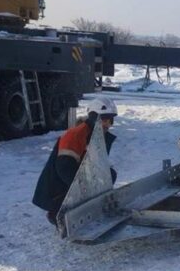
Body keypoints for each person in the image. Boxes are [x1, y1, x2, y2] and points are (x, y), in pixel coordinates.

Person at [33, 96, 118, 226]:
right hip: (56, 188)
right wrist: (85, 189)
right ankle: (57, 213)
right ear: (94, 118)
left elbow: (99, 165)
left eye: (111, 121)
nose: (108, 124)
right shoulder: (75, 135)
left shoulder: (97, 136)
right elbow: (64, 168)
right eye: (105, 120)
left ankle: (90, 206)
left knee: (110, 174)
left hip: (79, 178)